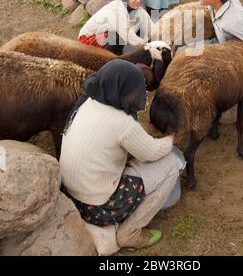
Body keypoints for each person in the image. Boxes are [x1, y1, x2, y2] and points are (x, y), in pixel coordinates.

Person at [59, 59, 183, 249]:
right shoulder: (122, 123)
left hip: (69, 196)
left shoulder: (87, 101)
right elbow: (152, 152)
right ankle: (130, 233)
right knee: (172, 163)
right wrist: (171, 140)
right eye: (133, 90)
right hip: (99, 207)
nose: (137, 95)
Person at [78, 0, 155, 55]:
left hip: (108, 36)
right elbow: (128, 35)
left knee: (138, 28)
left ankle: (120, 55)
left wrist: (160, 42)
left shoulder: (139, 10)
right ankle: (107, 60)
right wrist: (148, 47)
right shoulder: (115, 10)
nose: (138, 0)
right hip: (86, 41)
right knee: (118, 36)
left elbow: (152, 29)